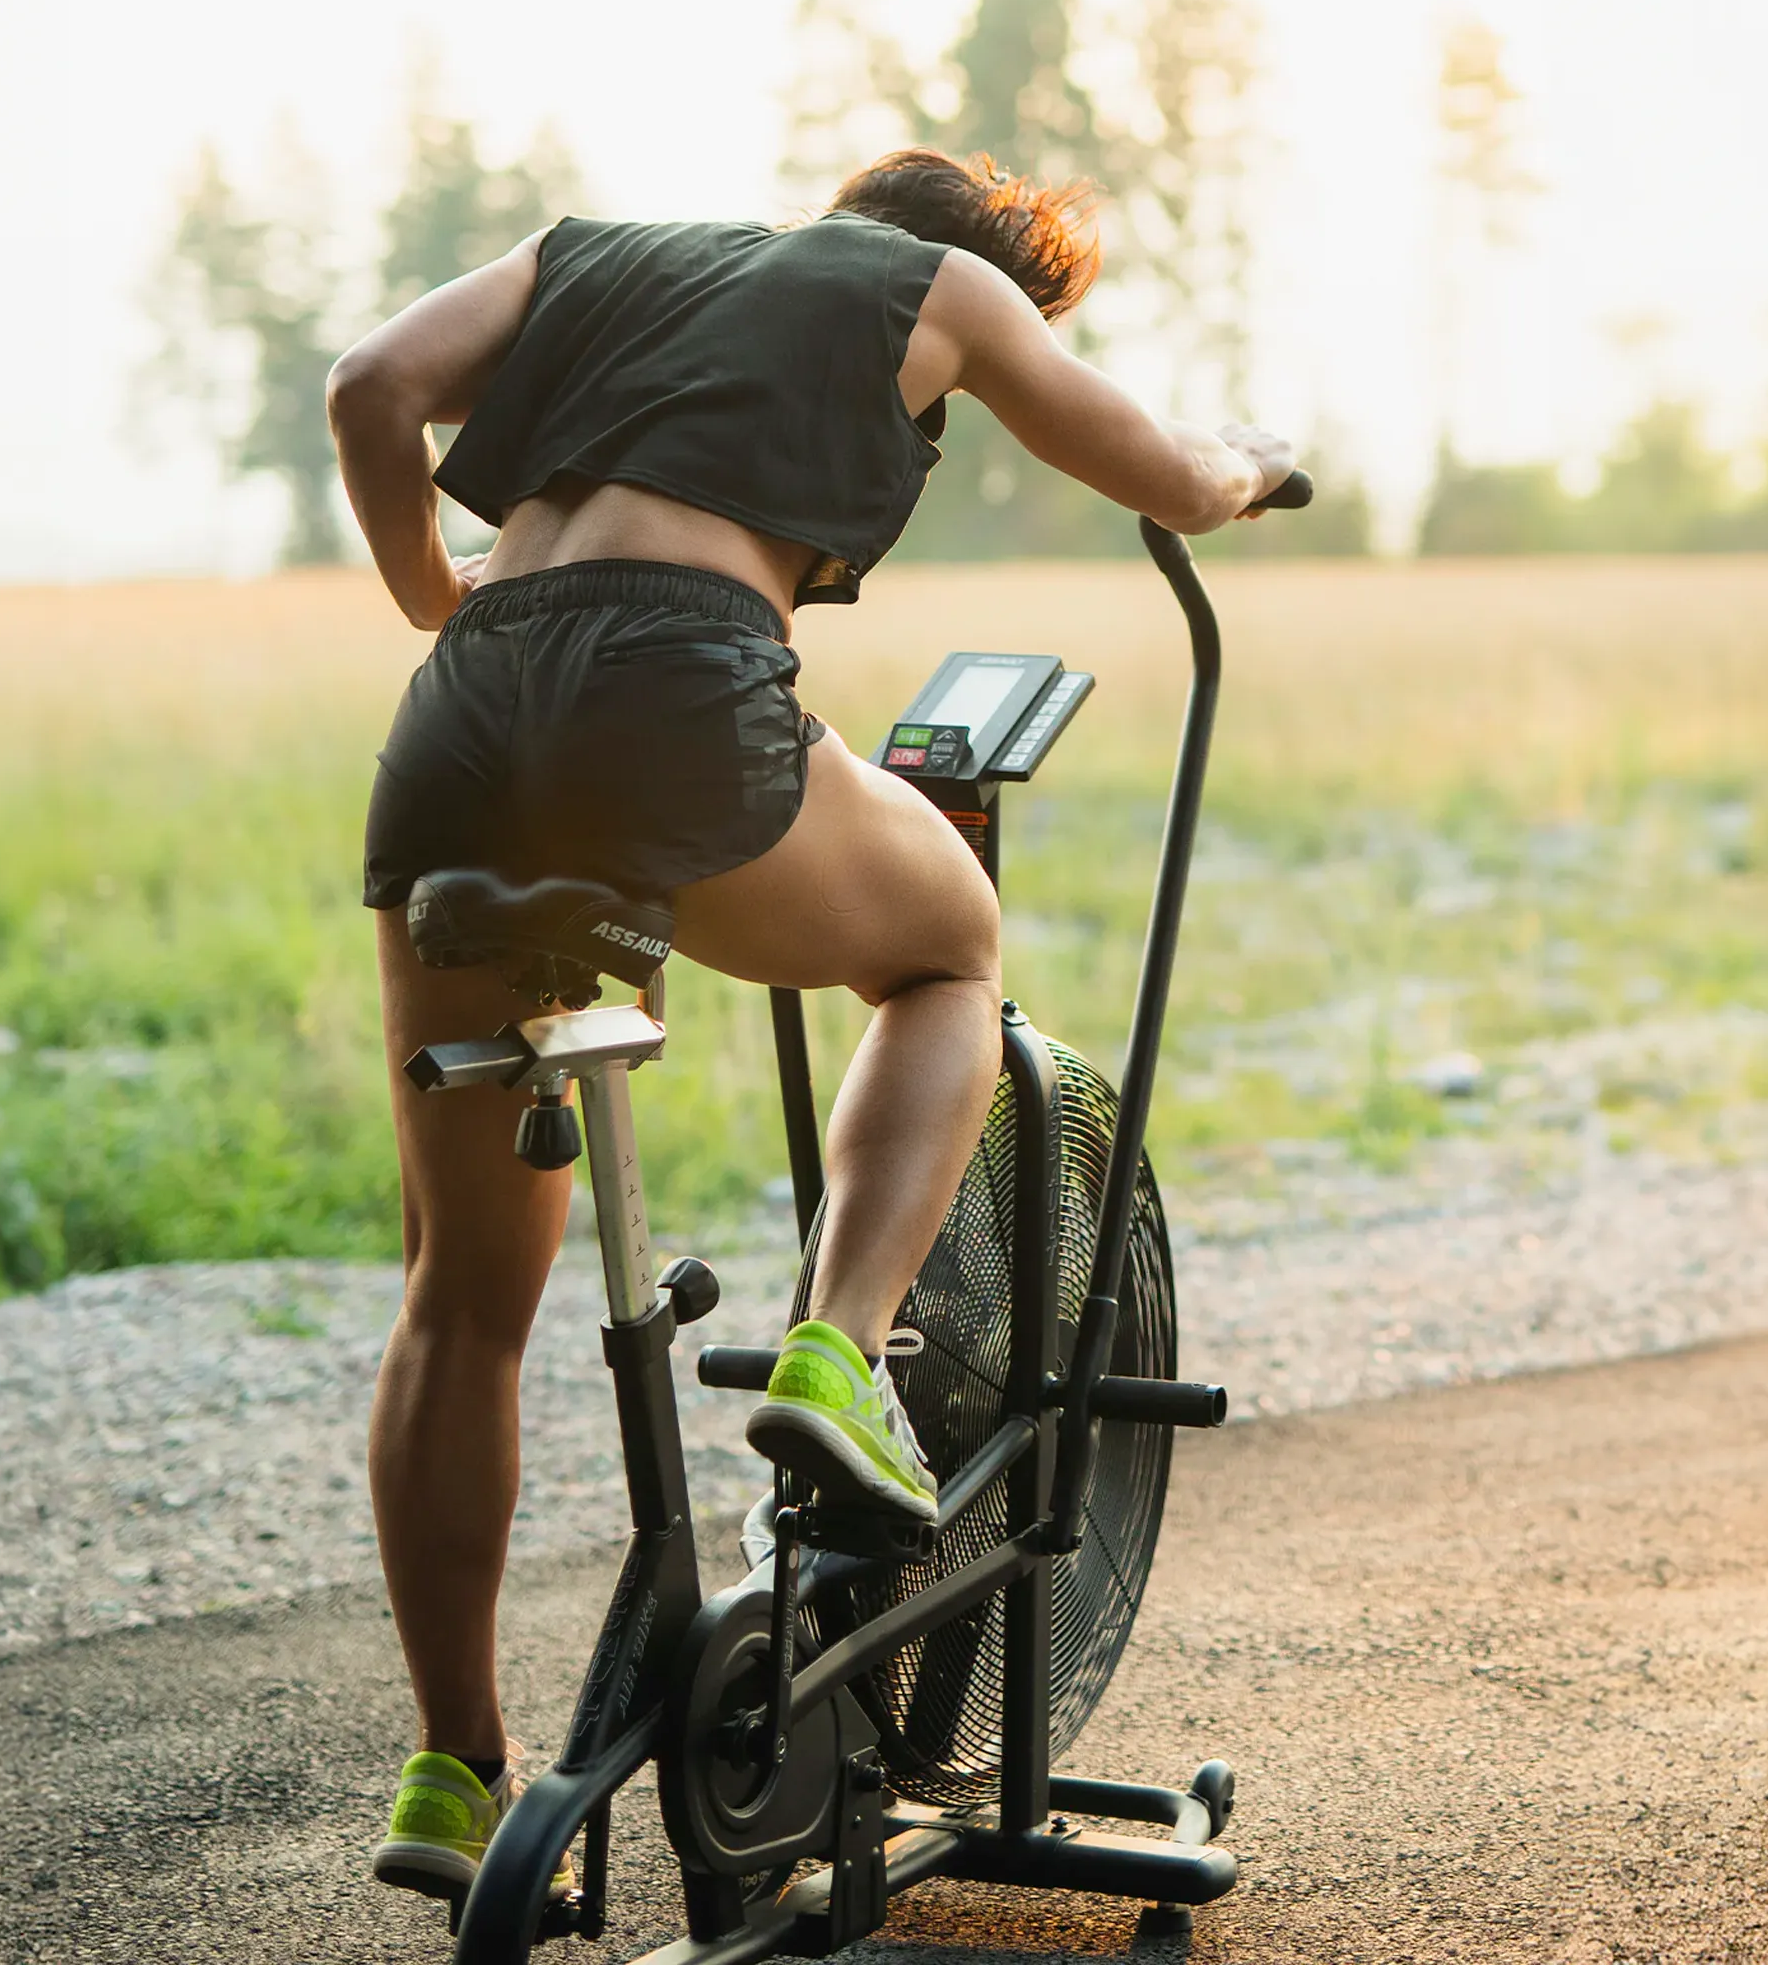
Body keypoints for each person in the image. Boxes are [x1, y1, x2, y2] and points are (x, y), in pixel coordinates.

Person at [325, 146, 1295, 1904]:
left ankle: (457, 1778)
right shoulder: (940, 288)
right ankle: (840, 1354)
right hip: (677, 685)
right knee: (947, 951)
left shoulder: (592, 250)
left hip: (460, 722)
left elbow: (370, 386)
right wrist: (1246, 467)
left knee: (459, 1300)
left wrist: (431, 598)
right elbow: (1162, 468)